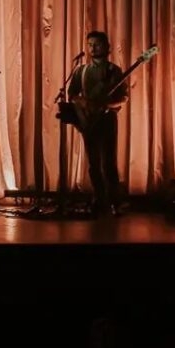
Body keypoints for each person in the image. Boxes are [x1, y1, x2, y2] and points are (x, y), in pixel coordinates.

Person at [67, 31, 128, 215]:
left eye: (97, 44)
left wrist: (106, 105)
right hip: (88, 121)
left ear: (107, 46)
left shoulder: (113, 71)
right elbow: (72, 94)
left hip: (107, 120)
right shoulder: (81, 70)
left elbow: (123, 98)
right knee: (93, 163)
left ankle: (114, 201)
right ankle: (99, 199)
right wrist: (82, 102)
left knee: (109, 162)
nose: (93, 48)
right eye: (90, 44)